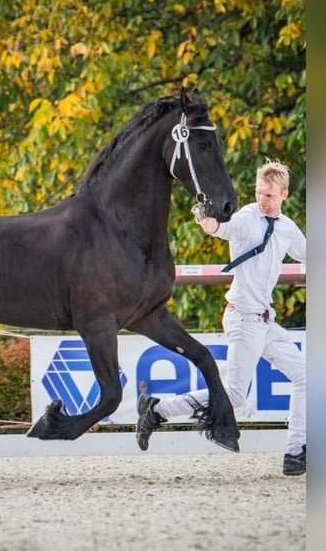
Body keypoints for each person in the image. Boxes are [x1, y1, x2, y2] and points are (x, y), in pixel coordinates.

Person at [136, 159, 307, 475]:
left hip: (265, 322)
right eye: (259, 193)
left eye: (269, 195)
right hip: (244, 319)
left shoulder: (286, 228)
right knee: (234, 396)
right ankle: (158, 409)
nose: (262, 199)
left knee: (305, 377)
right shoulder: (246, 218)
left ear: (284, 194)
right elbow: (222, 229)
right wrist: (208, 223)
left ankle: (296, 452)